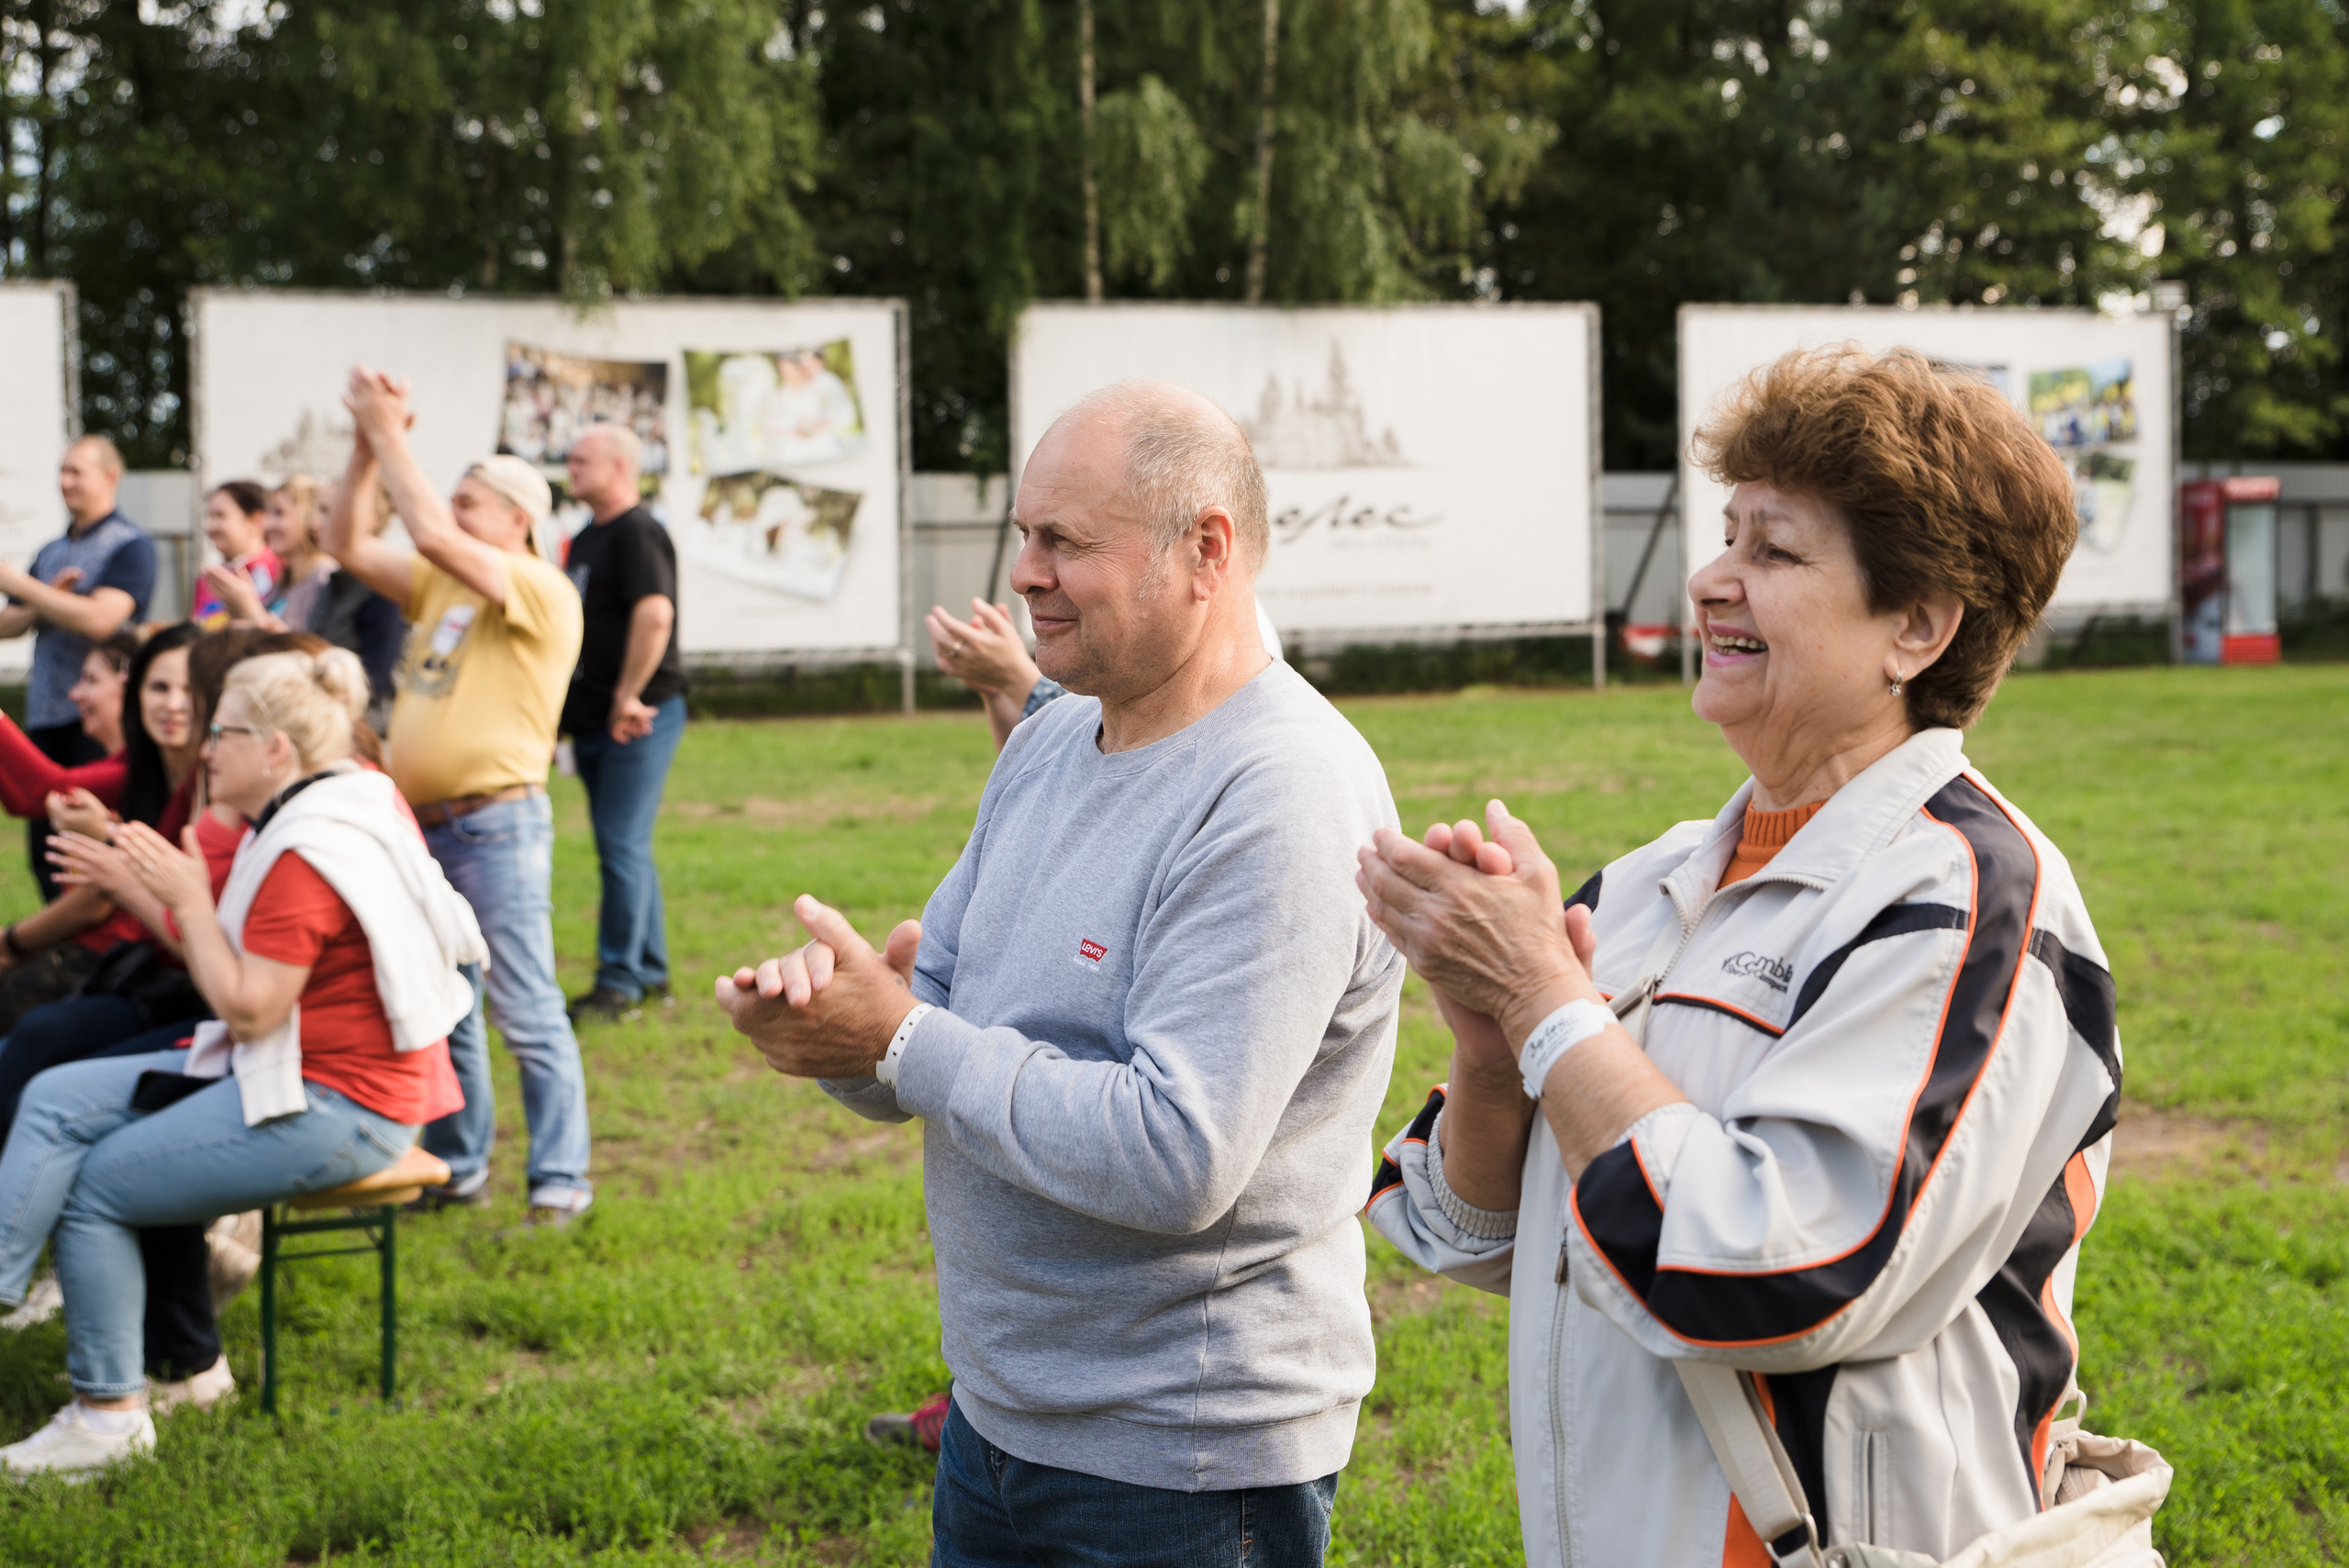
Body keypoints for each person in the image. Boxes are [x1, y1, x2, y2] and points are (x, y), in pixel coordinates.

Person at [1357, 347, 2120, 1566]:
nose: (1712, 580)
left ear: (1915, 627)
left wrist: (1551, 999)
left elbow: (1783, 1276)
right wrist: (1493, 1041)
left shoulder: (1975, 897)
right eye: (1728, 536)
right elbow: (1474, 1233)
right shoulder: (1653, 883)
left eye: (1774, 550)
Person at [718, 382, 1403, 1566]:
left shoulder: (1281, 791)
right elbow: (935, 1023)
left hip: (1180, 1471)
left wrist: (900, 1040)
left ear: (1207, 550)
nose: (1023, 572)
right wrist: (839, 1030)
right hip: (998, 1422)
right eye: (1023, 533)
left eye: (1062, 541)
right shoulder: (1049, 736)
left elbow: (1175, 1154)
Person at [0, 647, 479, 1476]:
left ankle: (108, 1417)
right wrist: (153, 885)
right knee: (51, 1091)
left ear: (276, 752)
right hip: (294, 1068)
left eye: (222, 730)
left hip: (341, 1104)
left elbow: (249, 1005)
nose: (207, 747)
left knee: (98, 1183)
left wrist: (180, 895)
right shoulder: (335, 800)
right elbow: (230, 962)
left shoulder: (304, 850)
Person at [319, 366, 592, 1225]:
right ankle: (462, 1165)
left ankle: (559, 1180)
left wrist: (388, 425)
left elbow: (432, 534)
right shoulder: (446, 586)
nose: (449, 507)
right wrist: (366, 449)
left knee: (524, 1003)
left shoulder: (538, 588)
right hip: (425, 826)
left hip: (495, 822)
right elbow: (343, 542)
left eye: (472, 498)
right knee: (449, 1004)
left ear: (519, 520)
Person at [557, 424, 687, 1023]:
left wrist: (627, 695)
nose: (570, 468)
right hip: (594, 720)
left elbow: (655, 615)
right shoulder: (586, 538)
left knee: (620, 842)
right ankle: (650, 971)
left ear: (618, 466)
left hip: (638, 717)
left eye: (581, 460)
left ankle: (618, 983)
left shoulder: (637, 531)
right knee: (626, 843)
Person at [0, 435, 157, 900]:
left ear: (111, 478)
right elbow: (7, 625)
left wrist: (22, 586)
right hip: (48, 710)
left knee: (89, 852)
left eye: (76, 472)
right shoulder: (49, 552)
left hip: (99, 720)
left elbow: (103, 619)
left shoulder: (132, 546)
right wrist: (43, 600)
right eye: (62, 471)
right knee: (45, 849)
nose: (64, 482)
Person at [930, 595, 1284, 752]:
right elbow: (1043, 761)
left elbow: (1135, 751)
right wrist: (996, 690)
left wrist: (1016, 677)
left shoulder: (1232, 625)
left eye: (1070, 541)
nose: (1023, 575)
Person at [0, 631, 140, 1026]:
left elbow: (44, 791)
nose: (75, 694)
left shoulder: (130, 775)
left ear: (129, 687)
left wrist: (12, 941)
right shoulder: (119, 767)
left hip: (103, 963)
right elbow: (26, 800)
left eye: (91, 681)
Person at [201, 475, 405, 728]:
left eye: (328, 512)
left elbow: (369, 684)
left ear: (367, 519)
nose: (316, 523)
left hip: (354, 732)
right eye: (318, 511)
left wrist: (258, 618)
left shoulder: (380, 588)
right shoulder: (335, 583)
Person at [187, 481, 281, 630]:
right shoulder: (209, 577)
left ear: (255, 520)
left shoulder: (280, 570)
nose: (209, 526)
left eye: (220, 516)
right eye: (209, 516)